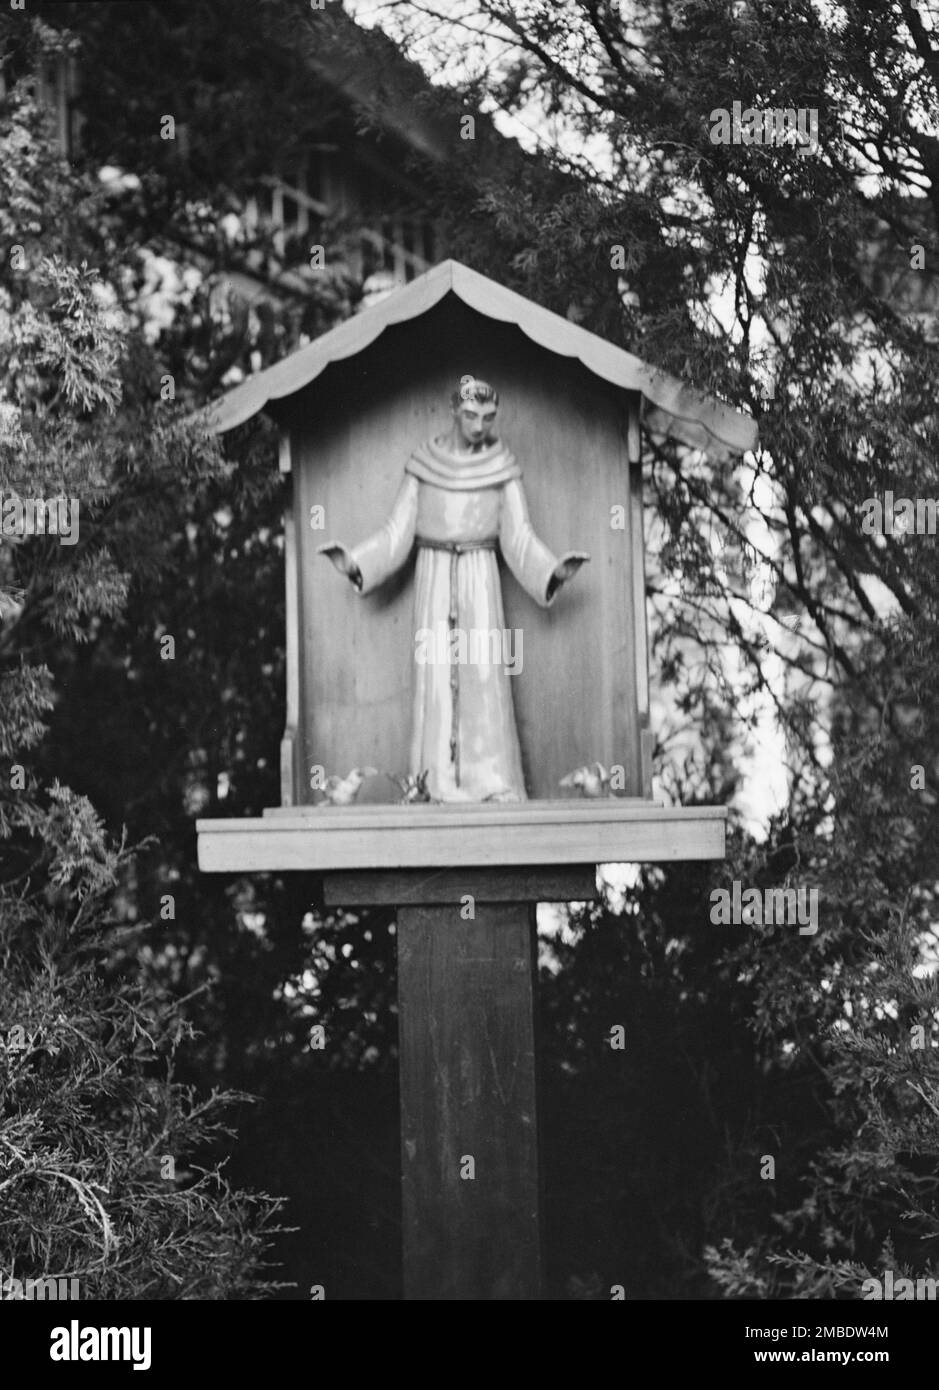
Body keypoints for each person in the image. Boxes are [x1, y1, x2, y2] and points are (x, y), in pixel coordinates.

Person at [319, 377, 588, 802]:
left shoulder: (501, 467)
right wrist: (356, 562)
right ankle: (433, 787)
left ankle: (493, 783)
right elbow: (396, 533)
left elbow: (519, 539)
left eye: (487, 417)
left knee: (484, 675)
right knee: (437, 683)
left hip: (481, 581)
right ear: (454, 413)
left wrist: (553, 571)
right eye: (470, 416)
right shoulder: (425, 465)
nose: (479, 426)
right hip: (435, 578)